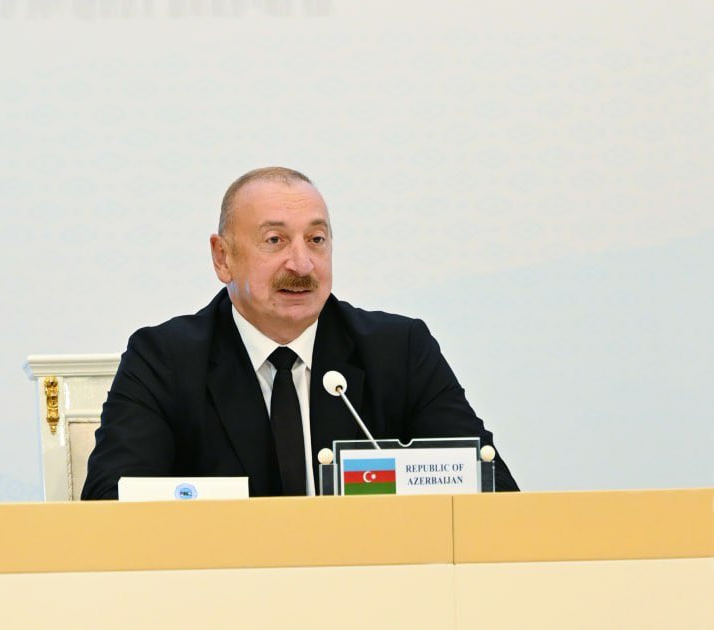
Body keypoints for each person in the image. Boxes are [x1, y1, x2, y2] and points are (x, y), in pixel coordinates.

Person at [82, 167, 518, 499]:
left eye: (316, 240)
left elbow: (491, 490)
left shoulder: (399, 351)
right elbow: (111, 505)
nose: (302, 264)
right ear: (222, 257)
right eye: (275, 240)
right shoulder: (163, 361)